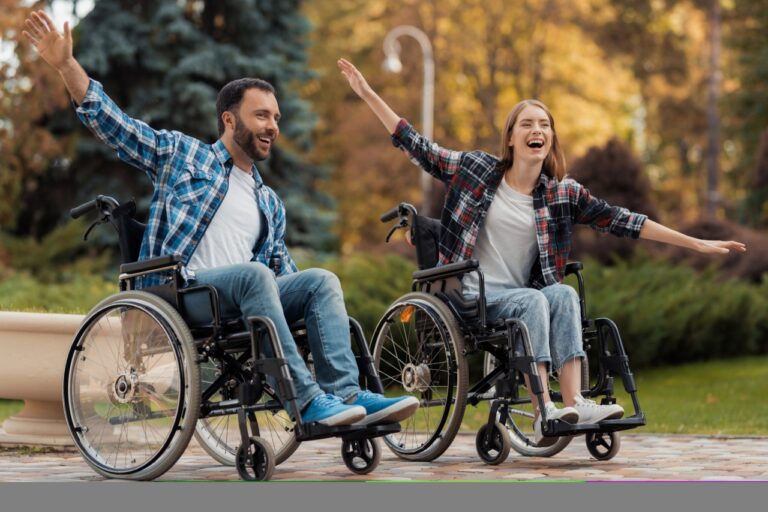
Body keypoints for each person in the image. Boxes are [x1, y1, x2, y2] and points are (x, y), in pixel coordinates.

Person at [22, 10, 420, 429]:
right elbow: (114, 125)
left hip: (239, 299)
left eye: (276, 118)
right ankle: (306, 403)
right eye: (261, 115)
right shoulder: (182, 156)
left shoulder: (269, 202)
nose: (272, 126)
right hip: (183, 292)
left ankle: (347, 396)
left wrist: (312, 317)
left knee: (321, 281)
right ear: (229, 120)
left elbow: (284, 272)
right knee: (254, 275)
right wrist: (67, 64)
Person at [337, 58, 746, 446]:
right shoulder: (477, 170)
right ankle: (542, 409)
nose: (538, 130)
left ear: (549, 139)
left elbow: (623, 220)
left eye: (545, 125)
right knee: (534, 300)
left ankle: (574, 404)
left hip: (518, 294)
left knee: (563, 292)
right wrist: (368, 92)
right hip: (469, 295)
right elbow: (418, 147)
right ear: (511, 137)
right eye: (528, 124)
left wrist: (695, 242)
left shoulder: (561, 194)